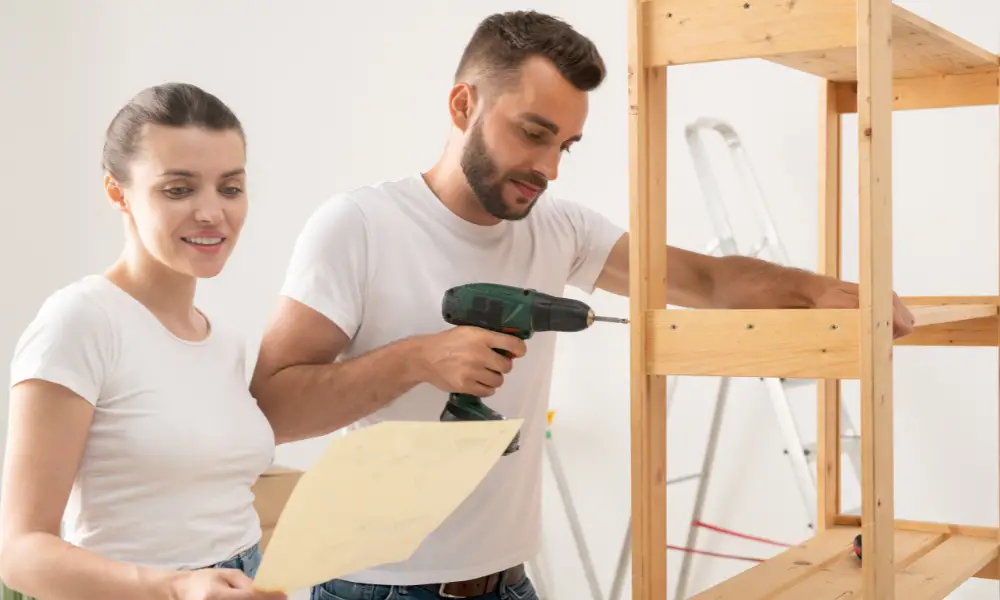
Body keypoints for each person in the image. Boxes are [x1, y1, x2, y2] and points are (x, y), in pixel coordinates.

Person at [249, 10, 916, 600]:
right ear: (462, 106)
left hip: (509, 580)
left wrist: (820, 292)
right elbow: (272, 410)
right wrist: (417, 359)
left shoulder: (557, 230)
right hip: (380, 587)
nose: (550, 167)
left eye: (564, 145)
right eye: (533, 133)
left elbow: (705, 281)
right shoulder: (359, 225)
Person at [0, 83, 285, 600]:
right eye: (178, 189)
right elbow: (19, 553)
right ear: (117, 192)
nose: (211, 212)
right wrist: (175, 589)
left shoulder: (223, 341)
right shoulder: (81, 321)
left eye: (230, 188)